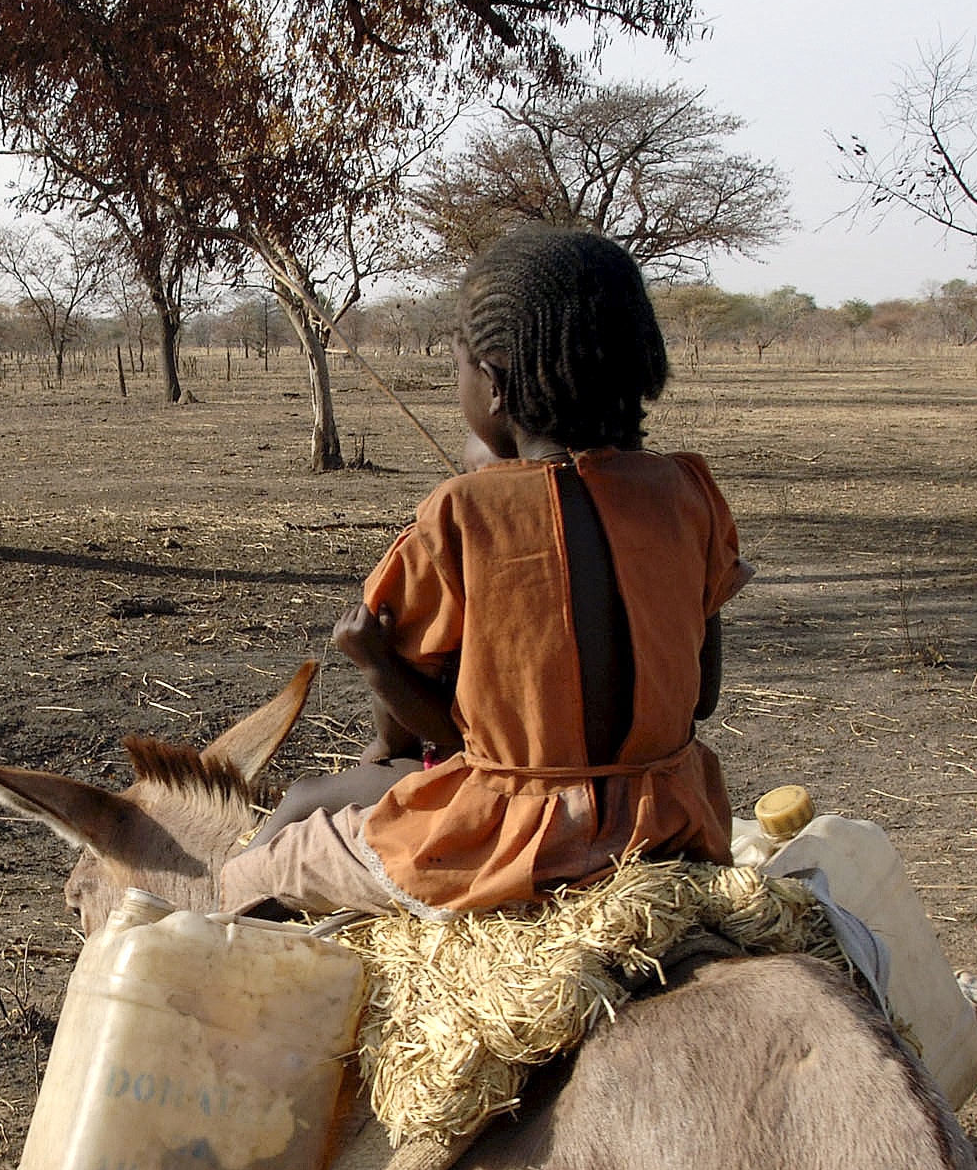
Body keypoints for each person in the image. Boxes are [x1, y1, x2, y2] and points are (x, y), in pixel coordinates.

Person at [223, 225, 751, 920]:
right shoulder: (691, 494)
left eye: (460, 369)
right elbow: (703, 698)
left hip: (508, 841)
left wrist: (376, 662)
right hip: (671, 822)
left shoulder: (458, 514)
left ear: (495, 386)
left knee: (255, 873)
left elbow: (424, 732)